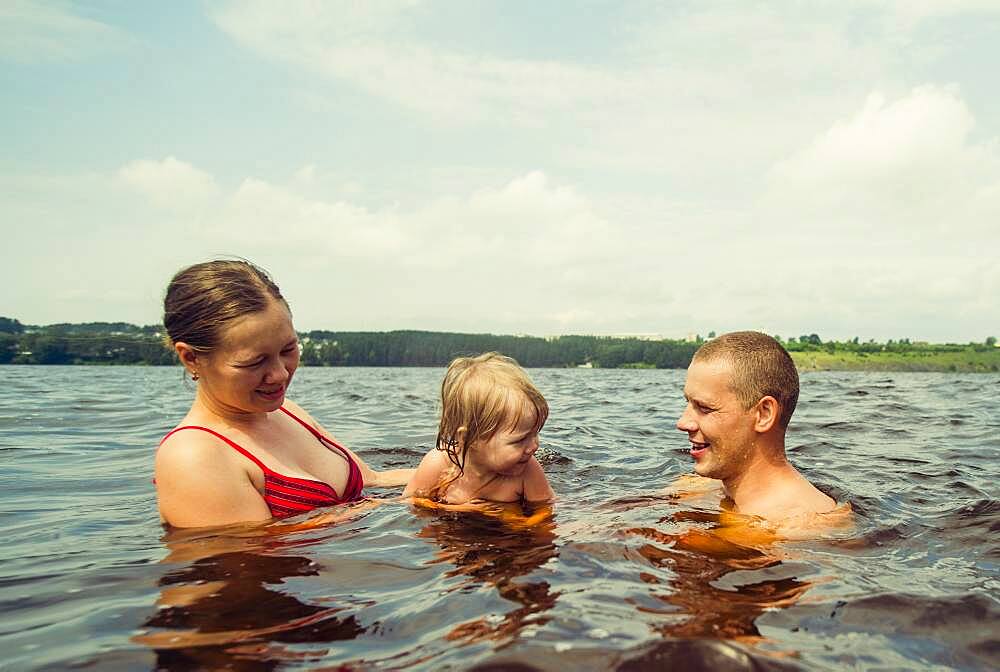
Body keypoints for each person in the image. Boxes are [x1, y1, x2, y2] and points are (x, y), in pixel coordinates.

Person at [155, 259, 415, 528]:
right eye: (255, 362)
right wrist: (406, 504)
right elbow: (254, 554)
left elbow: (374, 480)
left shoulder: (287, 411)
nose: (280, 374)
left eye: (288, 350)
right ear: (190, 358)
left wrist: (453, 469)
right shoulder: (192, 456)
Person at [675, 331, 837, 522]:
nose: (682, 423)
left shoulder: (802, 525)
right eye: (688, 403)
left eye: (704, 408)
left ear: (764, 414)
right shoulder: (699, 485)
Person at [403, 352, 554, 507]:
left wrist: (515, 520)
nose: (534, 446)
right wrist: (457, 510)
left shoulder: (528, 471)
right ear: (470, 437)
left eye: (535, 433)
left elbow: (544, 510)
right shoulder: (438, 464)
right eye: (520, 440)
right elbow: (410, 502)